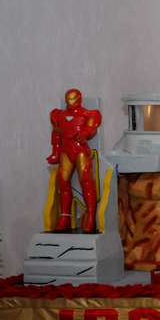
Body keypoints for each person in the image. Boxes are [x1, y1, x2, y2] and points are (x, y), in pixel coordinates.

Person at [47, 88, 102, 232]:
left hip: (81, 150)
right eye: (68, 100)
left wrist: (84, 133)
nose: (70, 103)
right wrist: (54, 152)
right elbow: (57, 134)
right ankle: (64, 217)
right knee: (63, 183)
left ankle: (90, 217)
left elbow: (91, 129)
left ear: (79, 99)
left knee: (86, 182)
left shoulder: (88, 114)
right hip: (66, 150)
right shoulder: (59, 114)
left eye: (73, 99)